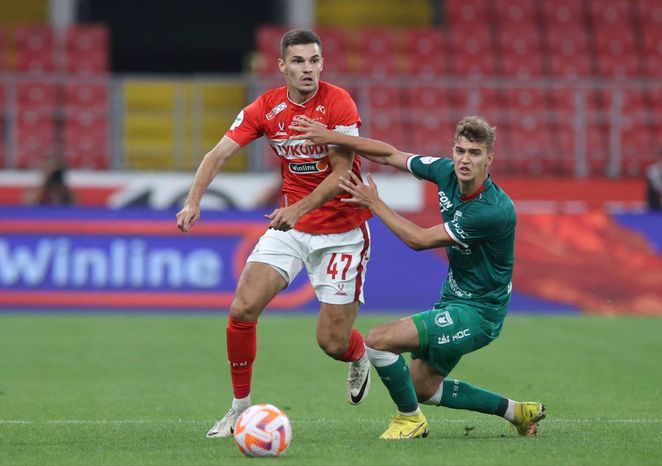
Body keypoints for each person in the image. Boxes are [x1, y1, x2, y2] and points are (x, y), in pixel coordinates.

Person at [289, 114, 546, 439]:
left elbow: (420, 240)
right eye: (460, 150)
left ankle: (410, 420)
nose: (465, 160)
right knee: (421, 387)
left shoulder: (492, 210)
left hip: (480, 313)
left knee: (378, 341)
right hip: (453, 298)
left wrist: (374, 203)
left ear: (489, 159)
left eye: (475, 153)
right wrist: (332, 136)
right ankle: (516, 412)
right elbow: (389, 154)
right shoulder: (446, 172)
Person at [176, 29, 373, 438]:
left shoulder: (339, 103)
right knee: (242, 308)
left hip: (341, 231)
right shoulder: (267, 107)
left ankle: (359, 355)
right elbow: (217, 155)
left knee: (333, 343)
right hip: (291, 226)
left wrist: (297, 208)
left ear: (322, 63)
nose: (308, 69)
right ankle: (239, 410)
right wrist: (193, 202)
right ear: (282, 65)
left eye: (314, 60)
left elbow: (341, 175)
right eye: (298, 61)